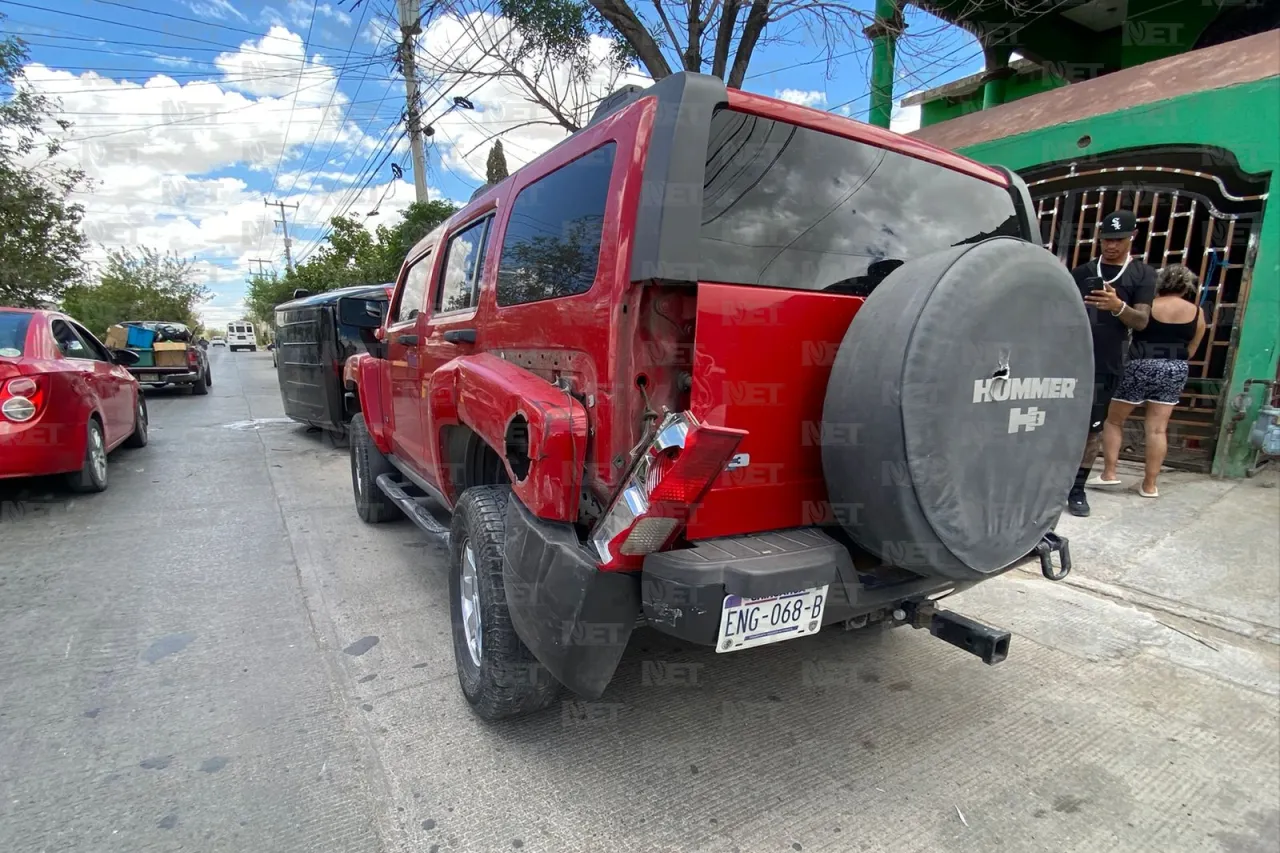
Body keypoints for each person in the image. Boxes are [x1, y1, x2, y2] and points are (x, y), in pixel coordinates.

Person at [1067, 209, 1157, 517]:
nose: (1111, 246)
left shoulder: (1143, 274)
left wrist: (1118, 306)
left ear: (1132, 237)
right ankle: (1047, 480)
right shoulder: (1082, 272)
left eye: (1118, 239)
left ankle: (1077, 489)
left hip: (1107, 363)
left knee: (1092, 429)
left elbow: (1142, 321)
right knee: (1056, 421)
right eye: (1106, 239)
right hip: (1069, 359)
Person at [1090, 264, 1206, 497]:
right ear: (1187, 287)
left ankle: (1109, 473)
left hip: (1139, 364)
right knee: (1157, 429)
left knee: (1114, 420)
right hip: (1174, 368)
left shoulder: (1148, 307)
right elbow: (1192, 348)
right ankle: (1150, 485)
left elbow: (1132, 328)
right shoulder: (1197, 312)